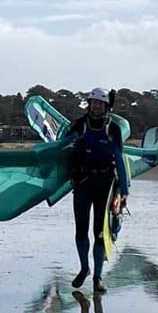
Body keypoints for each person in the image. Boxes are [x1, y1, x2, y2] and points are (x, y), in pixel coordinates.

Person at [63, 87, 130, 292]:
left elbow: (119, 157)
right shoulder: (79, 125)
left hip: (106, 184)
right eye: (93, 102)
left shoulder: (113, 128)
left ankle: (98, 277)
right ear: (89, 104)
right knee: (81, 230)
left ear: (106, 106)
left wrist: (124, 189)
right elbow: (62, 147)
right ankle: (84, 269)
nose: (96, 106)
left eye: (100, 103)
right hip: (83, 182)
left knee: (100, 233)